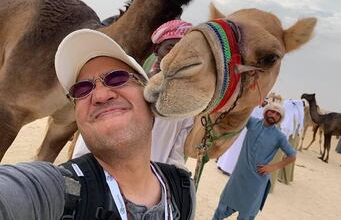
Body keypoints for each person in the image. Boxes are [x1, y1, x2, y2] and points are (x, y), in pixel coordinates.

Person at [0, 29, 195, 220]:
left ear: (148, 97)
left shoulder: (182, 192)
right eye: (82, 89)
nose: (100, 95)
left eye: (117, 78)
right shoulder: (56, 191)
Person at [71, 20, 194, 169]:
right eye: (170, 48)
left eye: (184, 50)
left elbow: (176, 155)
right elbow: (90, 142)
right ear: (156, 50)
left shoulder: (187, 106)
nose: (176, 56)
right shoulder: (128, 89)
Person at [212, 103, 296, 220]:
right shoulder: (252, 122)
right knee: (223, 206)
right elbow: (238, 115)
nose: (274, 115)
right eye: (272, 111)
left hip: (256, 182)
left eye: (277, 114)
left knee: (246, 213)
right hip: (238, 176)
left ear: (280, 118)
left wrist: (272, 167)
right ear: (266, 112)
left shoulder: (279, 136)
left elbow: (292, 156)